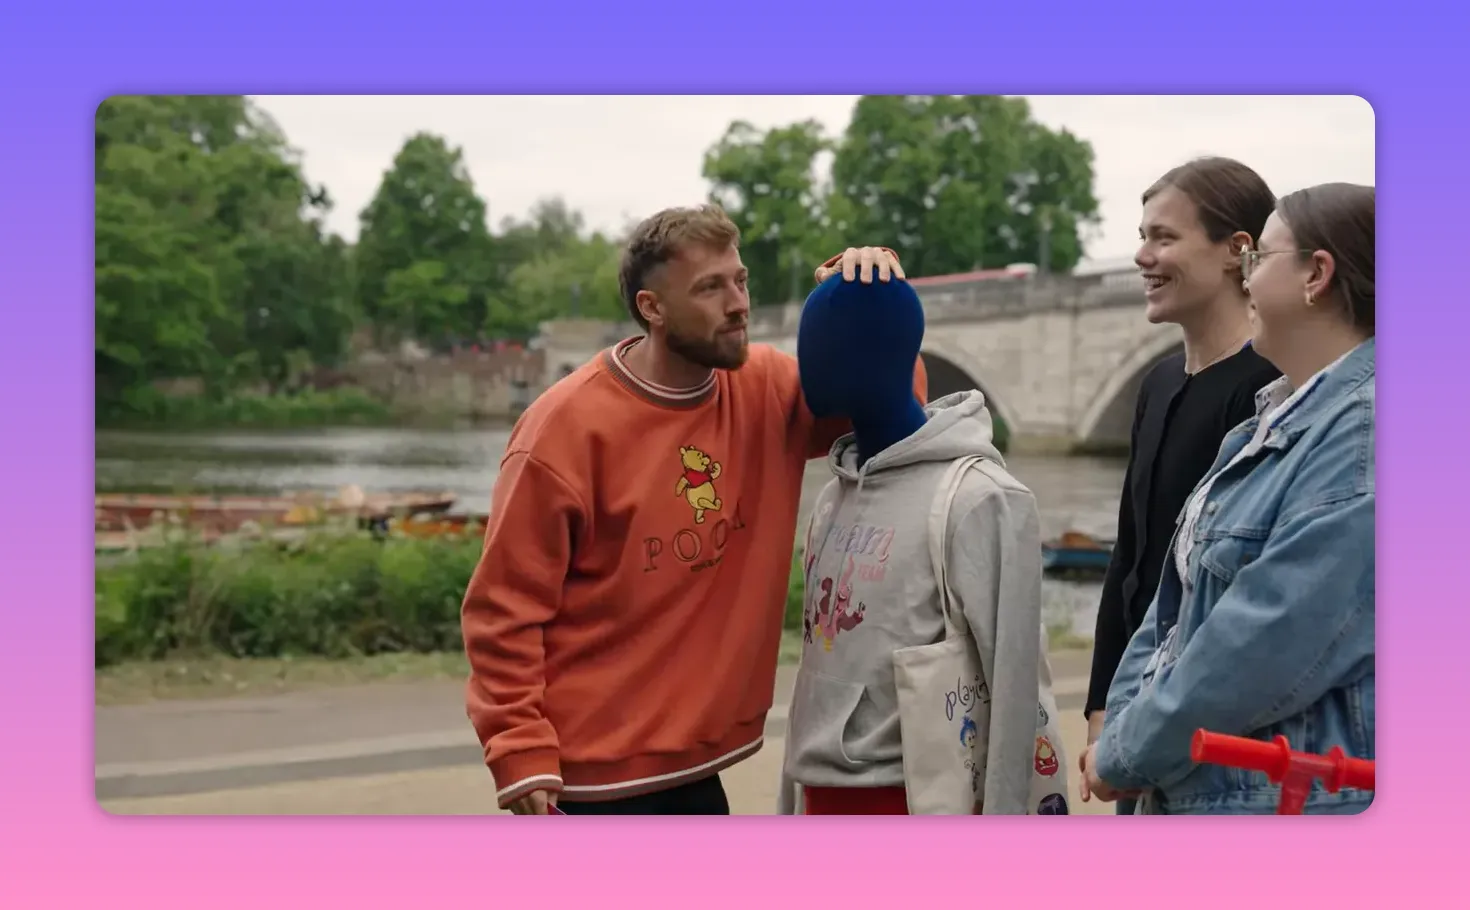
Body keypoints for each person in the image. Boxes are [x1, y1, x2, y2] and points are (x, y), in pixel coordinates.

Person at [461, 203, 927, 815]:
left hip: (697, 770)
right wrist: (519, 748)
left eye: (741, 280)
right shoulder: (562, 431)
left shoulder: (768, 388)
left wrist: (865, 298)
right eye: (710, 288)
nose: (738, 303)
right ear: (652, 308)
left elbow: (893, 410)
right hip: (587, 780)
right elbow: (503, 609)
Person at [1082, 183, 1376, 814]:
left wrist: (1122, 751)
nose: (1247, 280)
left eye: (1259, 259)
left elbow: (1265, 637)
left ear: (1315, 276)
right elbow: (1170, 610)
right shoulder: (1264, 426)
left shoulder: (1368, 432)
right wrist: (1118, 722)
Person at [774, 271, 1067, 815]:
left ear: (877, 351)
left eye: (822, 341)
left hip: (918, 802)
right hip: (819, 800)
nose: (805, 360)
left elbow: (1016, 694)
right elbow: (812, 677)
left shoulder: (982, 499)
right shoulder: (831, 500)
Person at [1083, 157, 1282, 812]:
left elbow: (1238, 598)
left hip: (1211, 727)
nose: (1142, 255)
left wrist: (1145, 733)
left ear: (1237, 252)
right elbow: (1130, 555)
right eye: (1142, 236)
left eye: (1163, 237)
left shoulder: (1270, 389)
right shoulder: (1159, 383)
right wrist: (1101, 707)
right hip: (1136, 704)